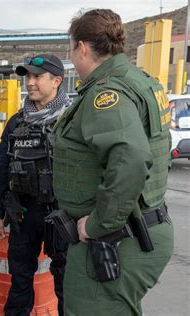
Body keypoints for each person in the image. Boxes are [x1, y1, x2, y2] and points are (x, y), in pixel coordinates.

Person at [52, 9, 174, 315]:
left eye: (71, 49)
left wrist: (96, 226)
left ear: (81, 47)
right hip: (141, 226)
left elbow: (130, 160)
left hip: (116, 238)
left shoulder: (106, 95)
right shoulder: (140, 81)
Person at [0, 54, 71, 316]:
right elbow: (2, 167)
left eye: (37, 76)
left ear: (57, 80)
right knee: (20, 278)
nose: (30, 83)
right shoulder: (17, 122)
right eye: (28, 77)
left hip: (61, 214)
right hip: (23, 213)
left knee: (65, 282)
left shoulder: (72, 120)